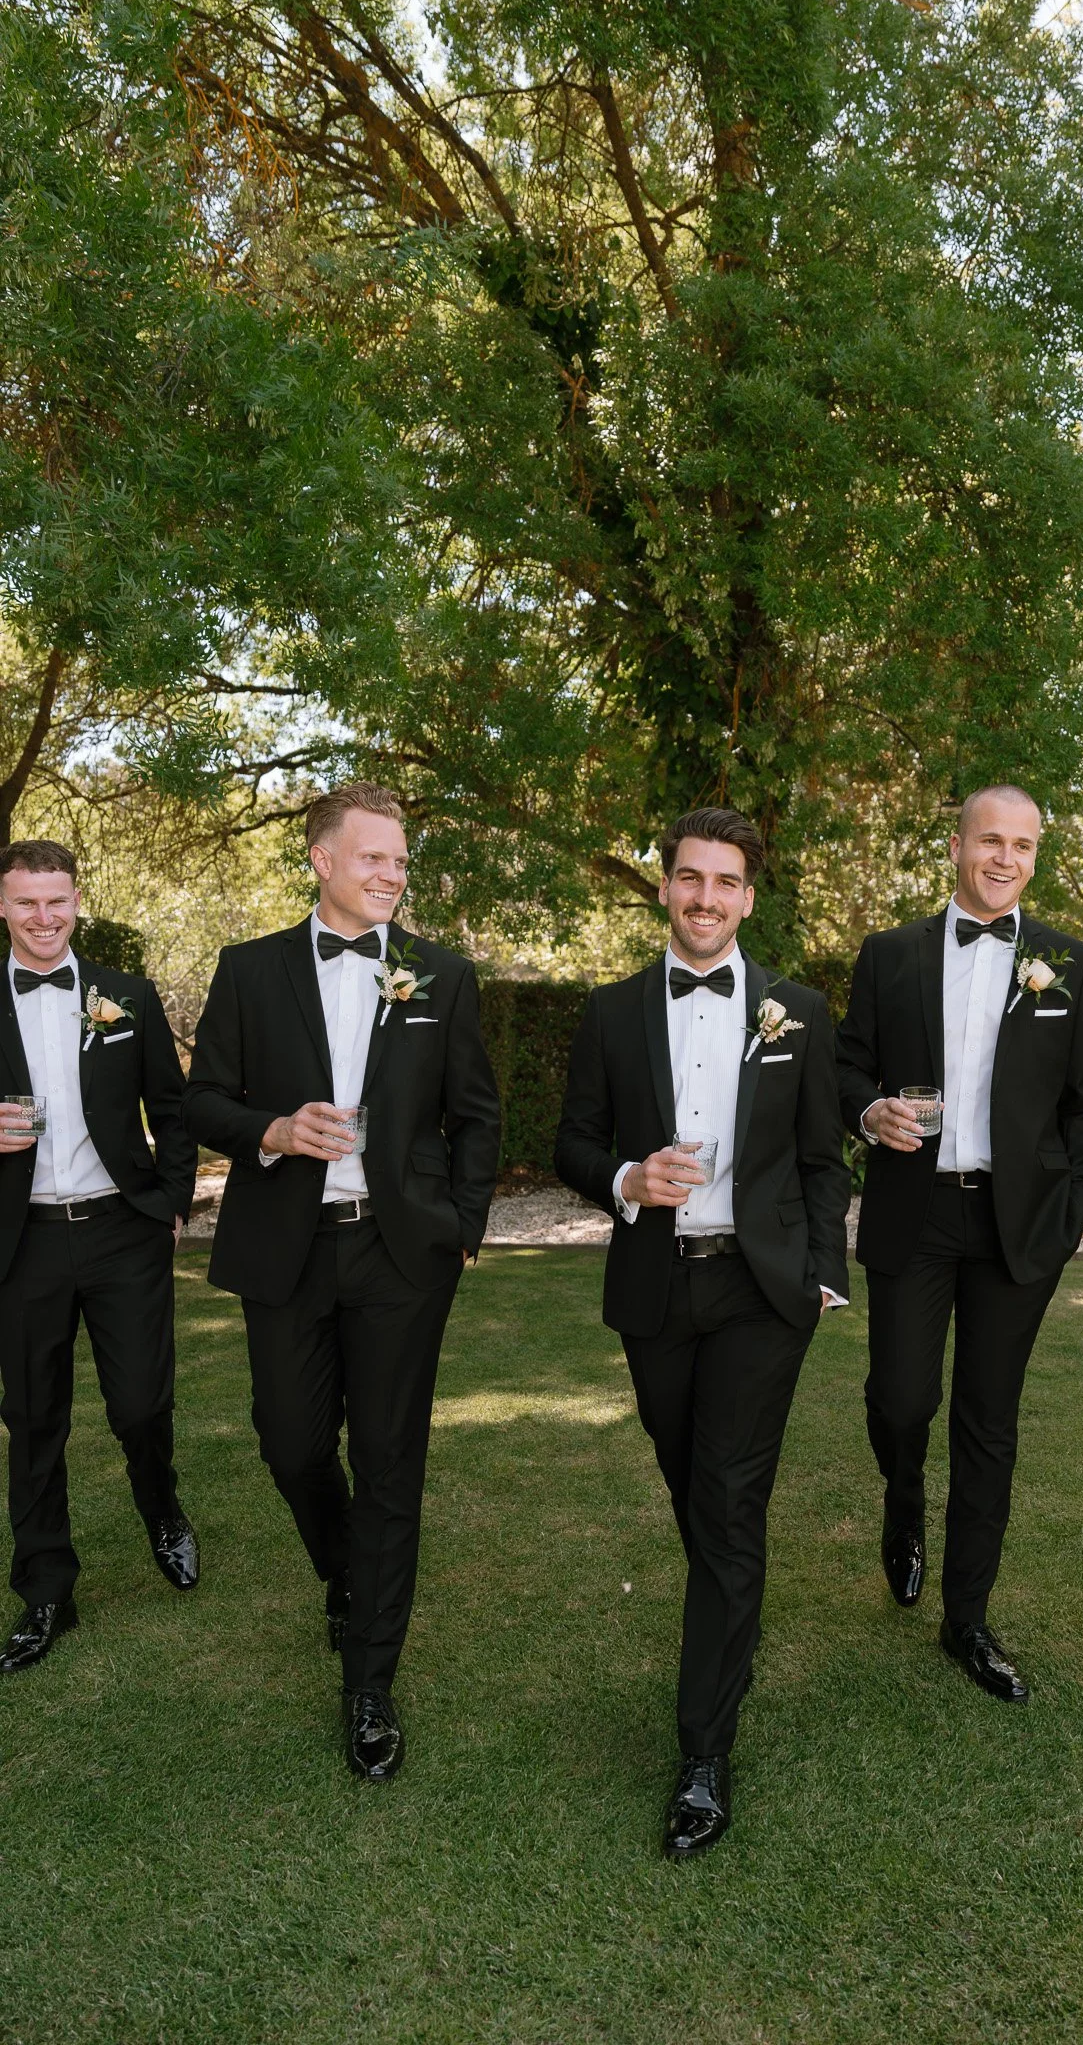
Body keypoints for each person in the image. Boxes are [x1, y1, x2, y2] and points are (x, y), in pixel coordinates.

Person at [183, 782, 500, 1778]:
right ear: (321, 859)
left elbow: (477, 1113)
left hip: (403, 1255)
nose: (392, 875)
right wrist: (271, 1130)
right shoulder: (249, 970)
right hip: (287, 1244)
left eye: (401, 860)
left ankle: (369, 1684)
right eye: (373, 857)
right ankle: (344, 1572)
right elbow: (199, 1099)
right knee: (289, 1442)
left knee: (393, 1462)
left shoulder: (440, 974)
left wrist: (466, 1229)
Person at [555, 807, 849, 1859]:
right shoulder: (612, 1009)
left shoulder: (798, 1010)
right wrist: (629, 1179)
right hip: (657, 1292)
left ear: (749, 897)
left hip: (764, 1294)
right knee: (696, 1489)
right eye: (690, 878)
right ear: (664, 886)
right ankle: (733, 1618)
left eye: (727, 882)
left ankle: (702, 1752)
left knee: (726, 1502)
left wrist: (826, 1277)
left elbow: (822, 1159)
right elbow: (574, 1138)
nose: (707, 898)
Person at [835, 785, 1083, 1702]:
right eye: (990, 840)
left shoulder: (1069, 961)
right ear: (955, 845)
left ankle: (968, 1618)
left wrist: (1064, 1217)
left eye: (1023, 845)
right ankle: (902, 1501)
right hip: (912, 1214)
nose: (1006, 858)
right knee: (901, 1399)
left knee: (989, 1422)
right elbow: (844, 1066)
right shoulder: (889, 954)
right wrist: (865, 1110)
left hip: (1015, 1226)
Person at [0, 839, 198, 1673]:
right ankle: (48, 1591)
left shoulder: (127, 995)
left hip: (123, 1229)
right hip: (22, 1240)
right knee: (34, 1418)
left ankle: (162, 1508)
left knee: (141, 1404)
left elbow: (175, 1108)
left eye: (58, 901)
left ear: (77, 900)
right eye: (26, 903)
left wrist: (171, 1204)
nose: (44, 918)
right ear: (2, 907)